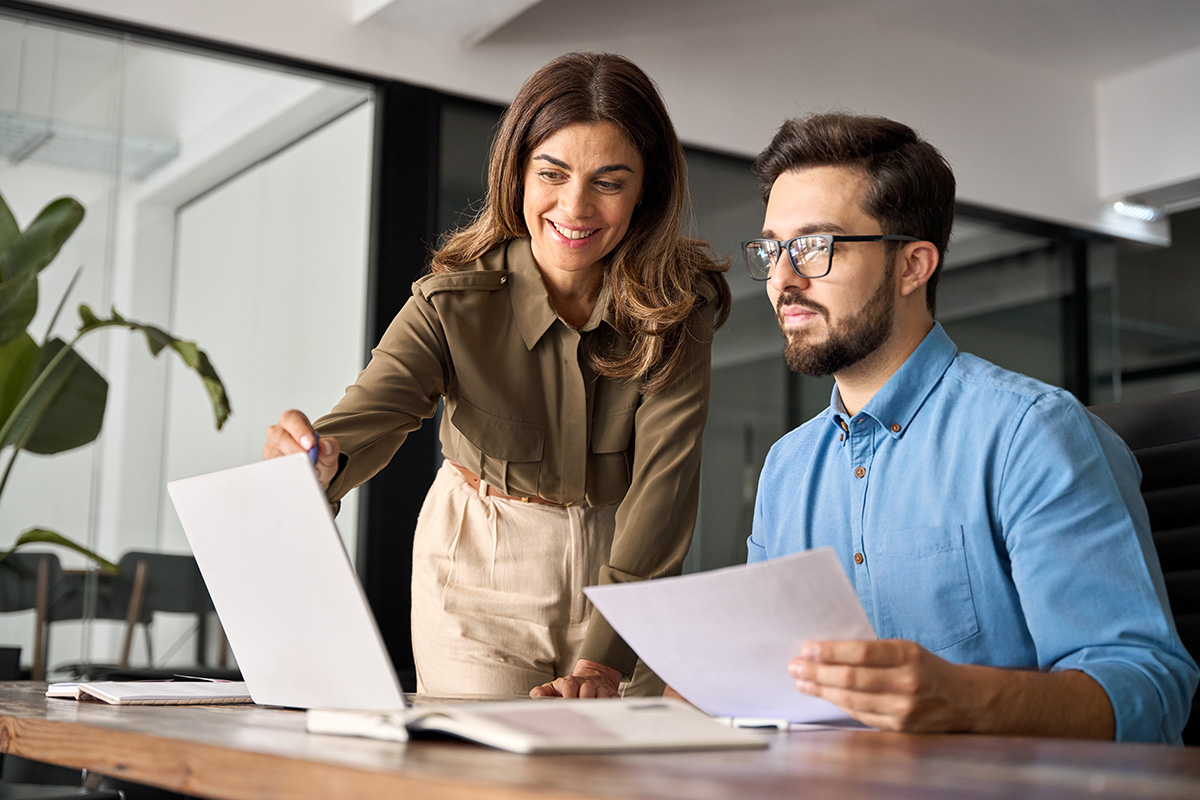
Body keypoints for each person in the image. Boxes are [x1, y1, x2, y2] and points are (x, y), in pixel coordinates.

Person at [264, 52, 730, 699]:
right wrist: (313, 459)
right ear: (517, 172)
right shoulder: (452, 302)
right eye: (553, 172)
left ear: (645, 188)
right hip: (480, 569)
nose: (575, 206)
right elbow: (369, 416)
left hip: (630, 569)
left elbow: (665, 485)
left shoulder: (680, 304)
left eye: (610, 181)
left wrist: (603, 661)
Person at [743, 112, 1197, 743]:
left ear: (913, 266)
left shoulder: (1033, 434)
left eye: (815, 246)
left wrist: (967, 700)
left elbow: (1149, 689)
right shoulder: (785, 470)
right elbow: (764, 677)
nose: (782, 280)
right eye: (772, 249)